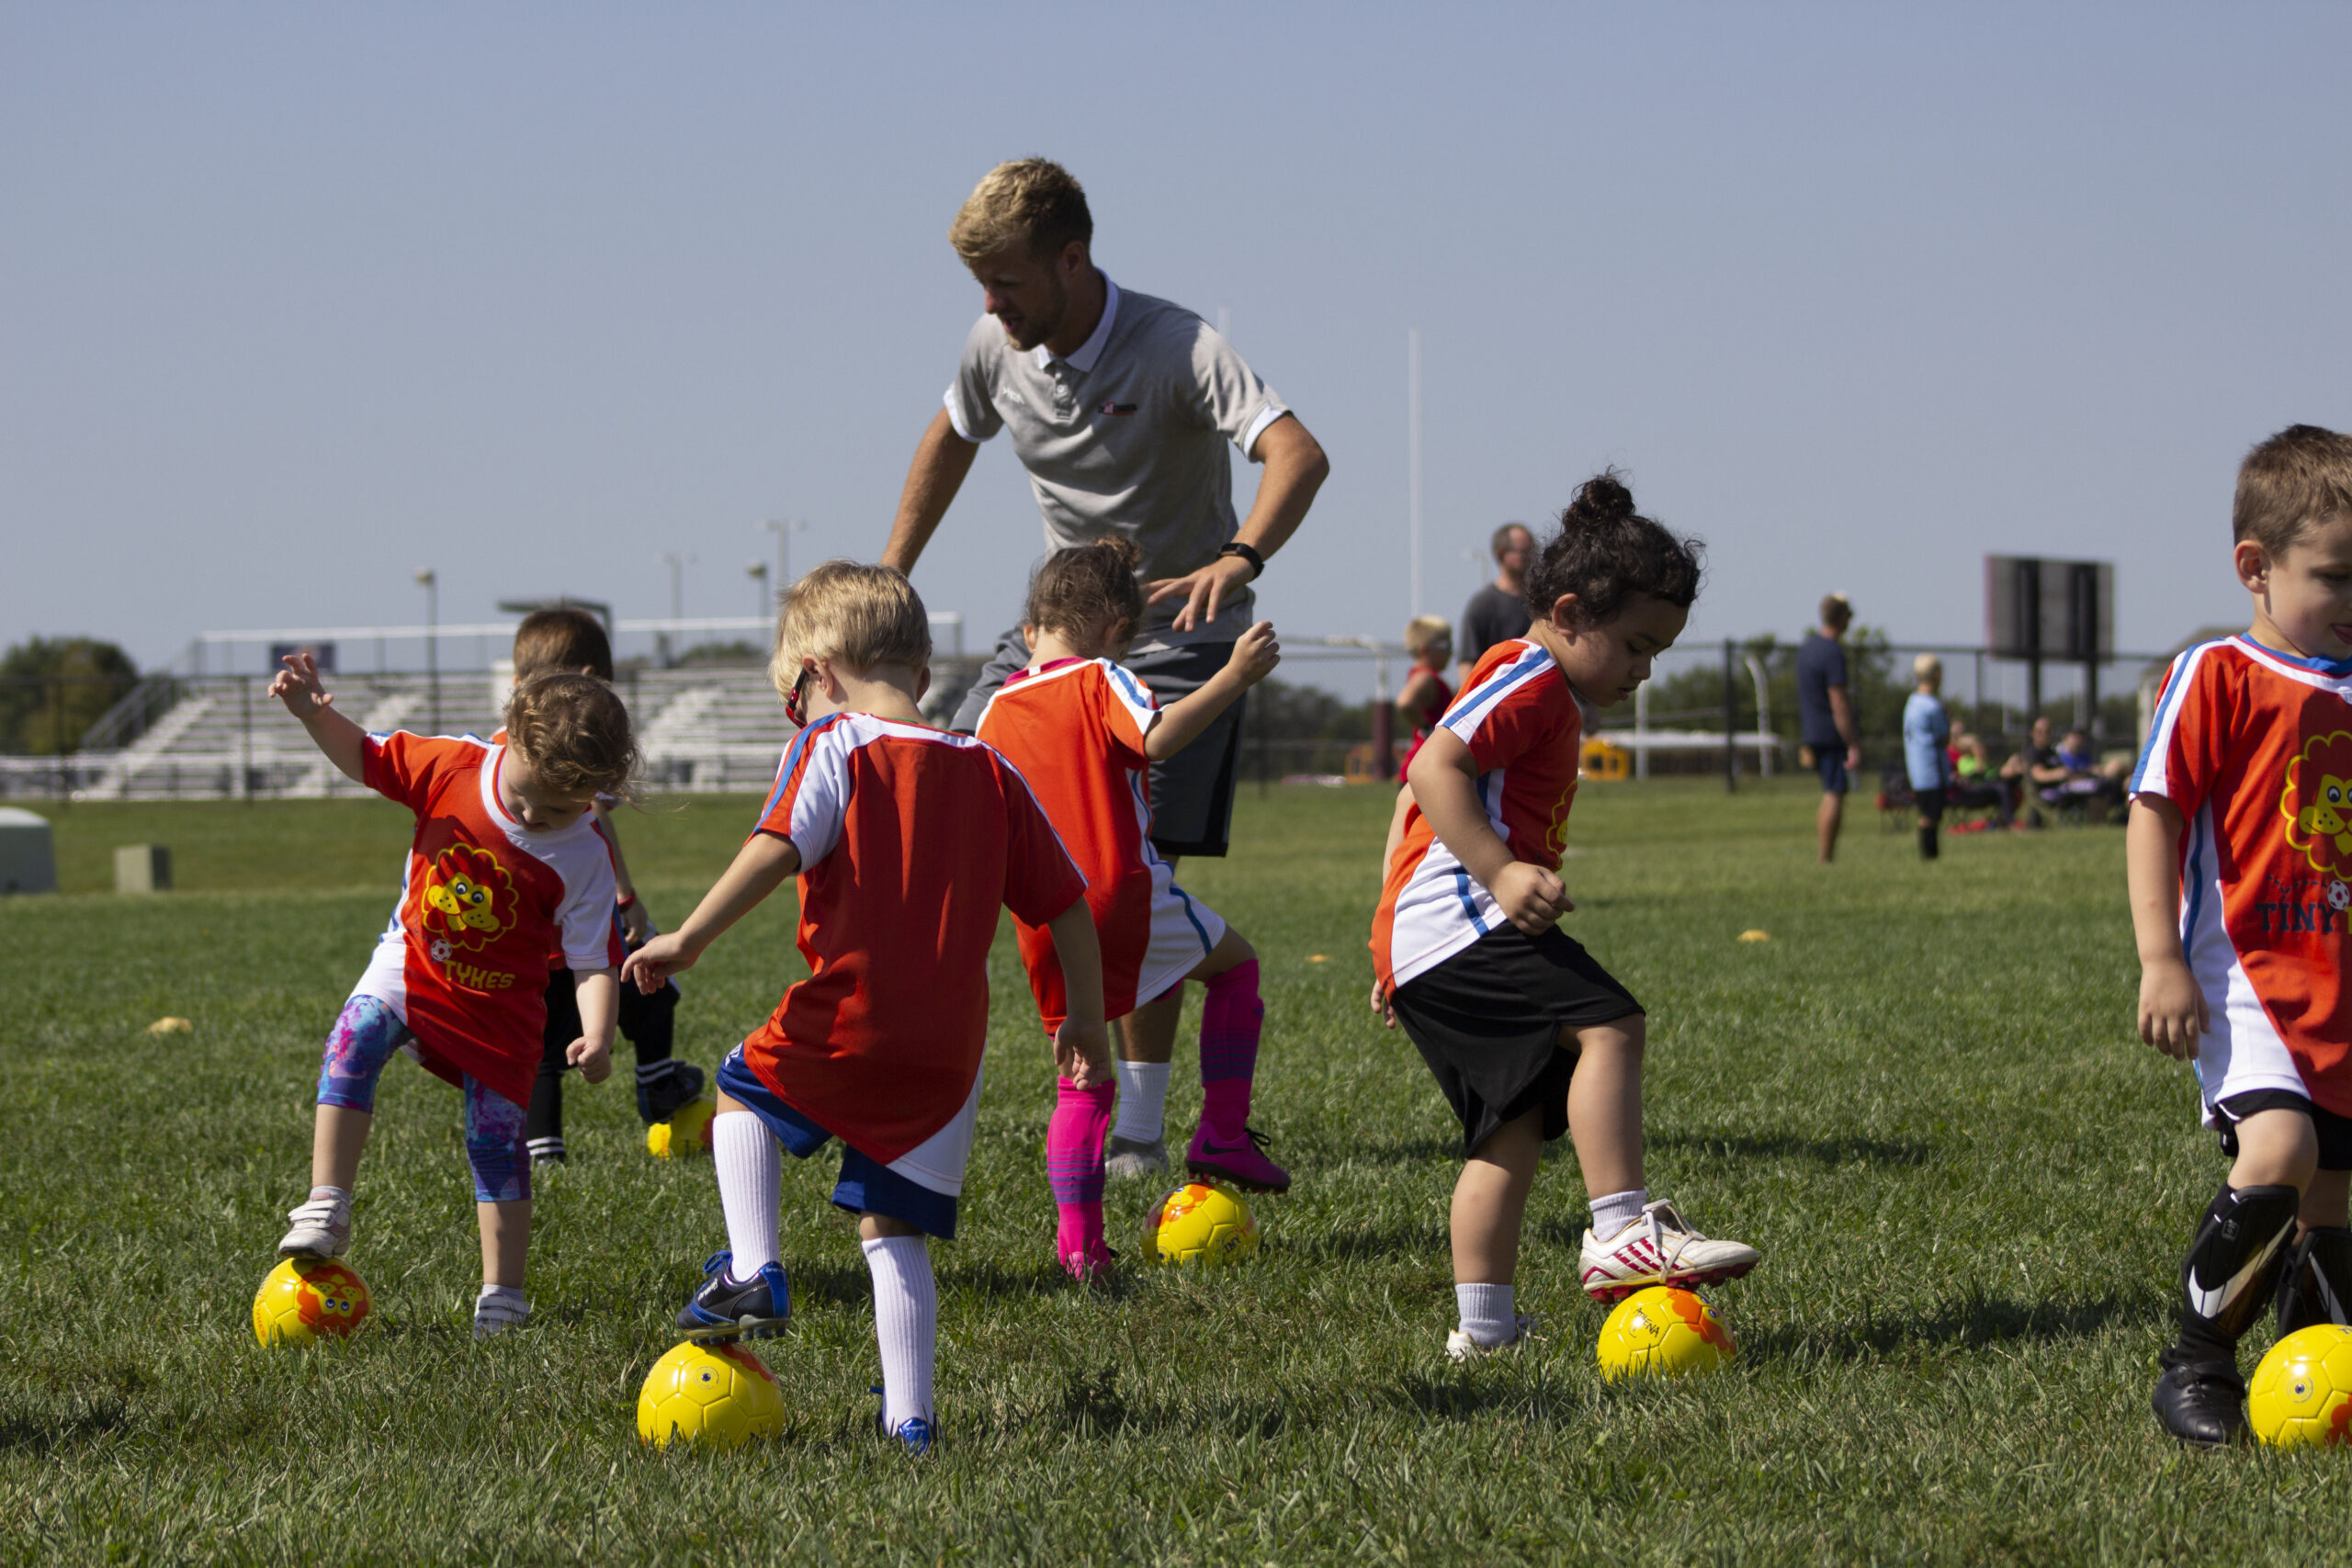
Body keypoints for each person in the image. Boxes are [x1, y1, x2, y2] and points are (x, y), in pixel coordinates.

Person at [623, 562, 1110, 1454]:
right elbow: (1065, 903)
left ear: (820, 669)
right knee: (895, 1232)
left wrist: (686, 940)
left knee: (738, 1094)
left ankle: (755, 1269)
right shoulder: (990, 767)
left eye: (793, 701)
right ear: (921, 674)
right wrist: (1082, 1018)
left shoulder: (834, 745)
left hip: (850, 1015)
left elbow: (776, 847)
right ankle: (911, 1423)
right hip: (949, 1055)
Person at [1369, 472, 1758, 1361]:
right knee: (1611, 1024)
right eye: (1634, 646)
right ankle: (1622, 1230)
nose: (1643, 671)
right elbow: (1432, 770)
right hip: (1465, 923)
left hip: (1431, 941)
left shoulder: (1539, 686)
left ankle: (1486, 1333)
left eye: (1657, 654)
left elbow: (1405, 813)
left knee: (1505, 1137)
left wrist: (1387, 947)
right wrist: (1503, 873)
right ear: (1573, 610)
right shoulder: (1530, 677)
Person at [881, 157, 1329, 871]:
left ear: (1071, 259)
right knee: (952, 790)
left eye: (1007, 282)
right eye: (982, 285)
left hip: (1179, 637)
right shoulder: (992, 345)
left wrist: (1238, 557)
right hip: (1060, 639)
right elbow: (955, 431)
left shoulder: (1178, 346)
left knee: (1138, 878)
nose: (993, 304)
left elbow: (1298, 454)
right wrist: (892, 570)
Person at [266, 655, 633, 1337]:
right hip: (412, 967)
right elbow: (366, 757)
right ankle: (327, 1203)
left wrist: (599, 1033)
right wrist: (315, 713)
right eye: (529, 794)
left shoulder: (584, 852)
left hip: (501, 1013)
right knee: (351, 1042)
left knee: (496, 1145)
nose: (534, 813)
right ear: (510, 734)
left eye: (560, 807)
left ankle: (503, 1295)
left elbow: (592, 957)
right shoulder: (452, 766)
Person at [975, 541, 1286, 1281]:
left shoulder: (994, 705)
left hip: (1043, 919)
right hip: (1121, 895)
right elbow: (1155, 737)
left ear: (1029, 631)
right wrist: (1233, 676)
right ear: (1119, 630)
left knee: (1079, 1078)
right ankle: (1222, 1133)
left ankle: (1080, 1248)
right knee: (1237, 967)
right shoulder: (1101, 678)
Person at [2130, 423, 2352, 1448]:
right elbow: (2156, 807)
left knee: (2333, 1196)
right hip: (2250, 982)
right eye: (2337, 579)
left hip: (2342, 986)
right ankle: (2197, 1365)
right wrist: (2161, 958)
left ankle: (2313, 1360)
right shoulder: (2217, 672)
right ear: (2254, 570)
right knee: (2280, 1146)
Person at [503, 609, 704, 1165]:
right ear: (589, 677)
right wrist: (626, 896)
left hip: (519, 929)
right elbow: (595, 821)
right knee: (653, 984)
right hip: (578, 918)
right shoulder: (568, 740)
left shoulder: (504, 746)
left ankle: (543, 1150)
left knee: (545, 1042)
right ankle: (656, 1083)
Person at [1796, 594, 1862, 863]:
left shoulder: (1807, 648)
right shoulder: (1833, 652)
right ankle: (1826, 858)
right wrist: (1852, 743)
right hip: (1831, 733)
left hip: (1811, 731)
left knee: (1829, 790)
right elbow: (1839, 703)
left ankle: (1826, 857)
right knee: (1834, 792)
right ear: (1842, 617)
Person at [1456, 523, 1535, 684]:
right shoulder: (1483, 605)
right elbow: (1467, 663)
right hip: (1502, 699)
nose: (1530, 557)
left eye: (1532, 550)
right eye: (1523, 552)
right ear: (1501, 555)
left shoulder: (1541, 601)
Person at [1903, 654, 1952, 860]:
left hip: (1916, 769)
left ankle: (1929, 856)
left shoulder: (1912, 702)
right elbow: (1944, 738)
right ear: (1937, 675)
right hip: (1932, 769)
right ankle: (1929, 856)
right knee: (1931, 816)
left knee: (1926, 813)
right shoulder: (1932, 706)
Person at [1396, 615, 1454, 775]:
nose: (1450, 651)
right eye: (1445, 645)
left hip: (1422, 766)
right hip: (1425, 769)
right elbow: (1405, 702)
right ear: (1424, 649)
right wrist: (1427, 730)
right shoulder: (1425, 677)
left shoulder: (1422, 676)